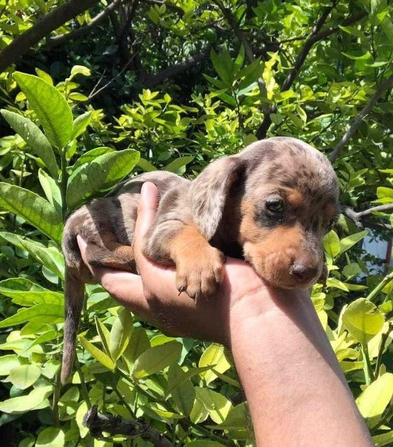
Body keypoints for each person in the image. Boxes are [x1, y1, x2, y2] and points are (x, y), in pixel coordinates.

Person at [78, 182, 373, 446]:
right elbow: (173, 232)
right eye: (275, 207)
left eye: (326, 224)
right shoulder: (204, 202)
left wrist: (247, 305)